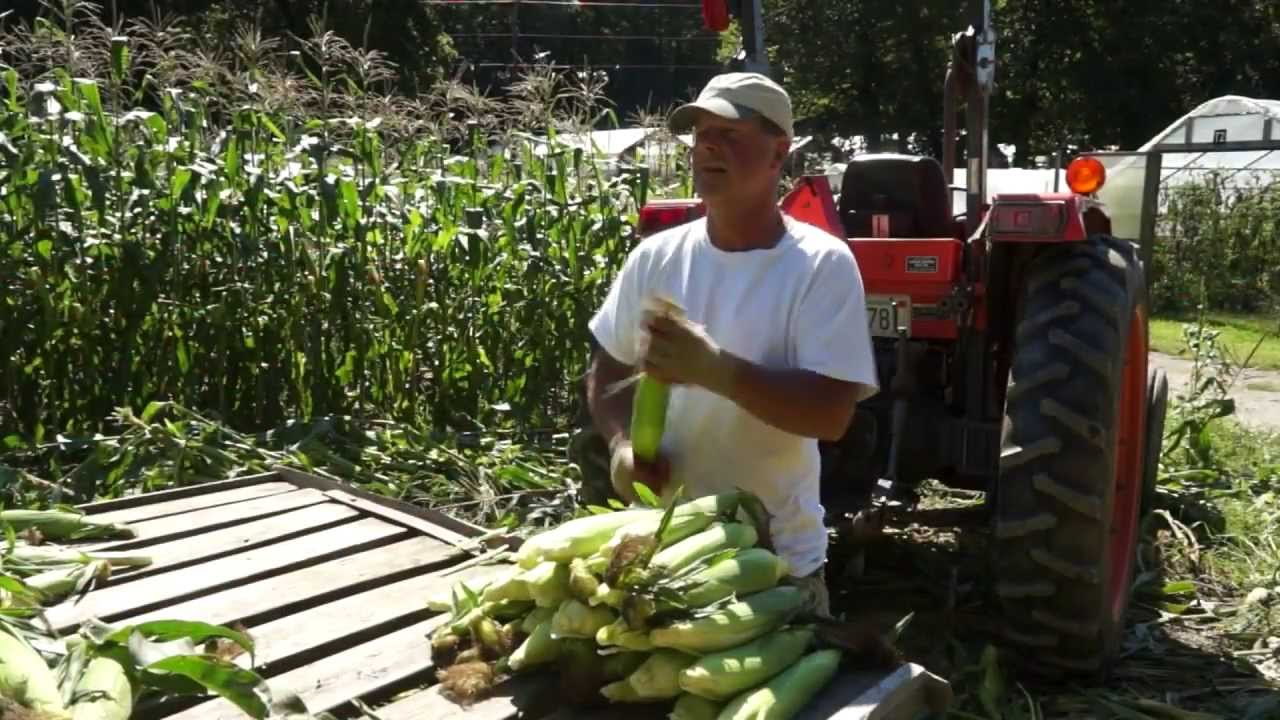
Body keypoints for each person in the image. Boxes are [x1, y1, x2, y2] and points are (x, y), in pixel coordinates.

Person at [580, 72, 879, 618]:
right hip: (661, 554)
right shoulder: (657, 257)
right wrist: (621, 444)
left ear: (777, 152)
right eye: (701, 134)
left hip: (773, 566)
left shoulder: (820, 265)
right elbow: (607, 367)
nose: (709, 146)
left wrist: (716, 370)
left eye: (730, 133)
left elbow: (832, 415)